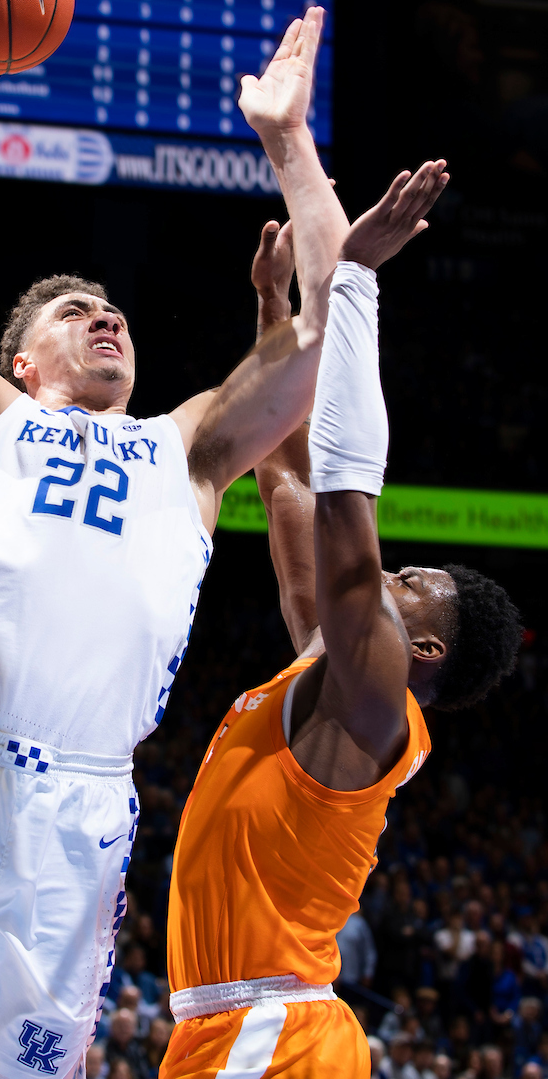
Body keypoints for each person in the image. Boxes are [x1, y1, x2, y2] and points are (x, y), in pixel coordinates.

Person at [0, 6, 347, 1079]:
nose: (108, 320)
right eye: (76, 312)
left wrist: (286, 142)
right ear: (22, 360)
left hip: (76, 815)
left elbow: (325, 327)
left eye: (116, 313)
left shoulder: (185, 450)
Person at [160, 153, 522, 1074]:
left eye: (407, 583)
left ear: (425, 647)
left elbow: (344, 503)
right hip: (249, 1030)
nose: (384, 578)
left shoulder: (375, 701)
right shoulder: (332, 686)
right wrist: (275, 328)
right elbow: (286, 492)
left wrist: (353, 285)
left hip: (272, 1033)